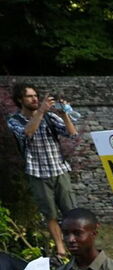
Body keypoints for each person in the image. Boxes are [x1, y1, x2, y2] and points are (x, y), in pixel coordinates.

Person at [6, 83, 78, 260]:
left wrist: (64, 115)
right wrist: (41, 112)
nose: (35, 99)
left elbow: (72, 134)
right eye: (29, 96)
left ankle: (76, 244)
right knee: (50, 213)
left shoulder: (50, 117)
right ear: (19, 100)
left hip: (59, 169)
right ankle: (61, 249)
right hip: (37, 172)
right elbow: (26, 133)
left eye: (36, 96)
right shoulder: (14, 120)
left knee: (71, 211)